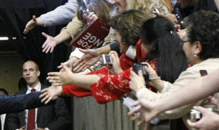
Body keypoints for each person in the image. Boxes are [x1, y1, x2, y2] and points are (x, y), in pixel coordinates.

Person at [128, 11, 219, 130]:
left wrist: (140, 89)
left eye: (184, 41)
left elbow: (168, 108)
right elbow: (186, 94)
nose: (180, 45)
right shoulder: (211, 67)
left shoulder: (200, 71)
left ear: (197, 47)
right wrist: (159, 83)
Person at [41, 11, 188, 104]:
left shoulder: (151, 65)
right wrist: (65, 87)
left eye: (116, 36)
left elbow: (112, 81)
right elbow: (103, 75)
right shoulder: (138, 52)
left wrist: (72, 79)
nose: (114, 40)